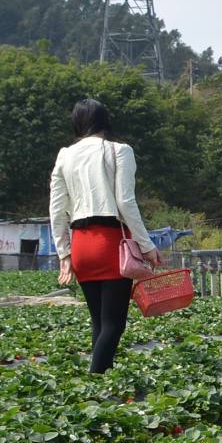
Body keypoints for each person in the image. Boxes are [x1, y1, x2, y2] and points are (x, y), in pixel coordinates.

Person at [50, 100, 161, 372]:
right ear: (104, 120)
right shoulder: (119, 150)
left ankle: (104, 382)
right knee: (114, 324)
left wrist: (64, 253)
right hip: (109, 243)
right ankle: (95, 381)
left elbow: (57, 208)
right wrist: (146, 245)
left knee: (100, 322)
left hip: (81, 245)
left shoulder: (65, 154)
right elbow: (125, 202)